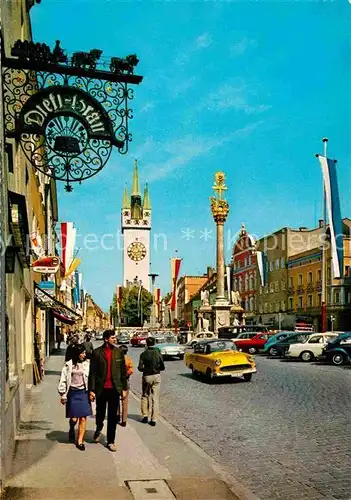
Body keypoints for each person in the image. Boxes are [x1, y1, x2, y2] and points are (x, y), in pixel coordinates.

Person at [88, 330, 128, 452]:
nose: (114, 339)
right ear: (106, 339)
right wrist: (91, 390)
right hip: (101, 388)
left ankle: (111, 441)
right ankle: (99, 428)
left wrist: (124, 388)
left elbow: (123, 372)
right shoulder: (97, 353)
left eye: (115, 337)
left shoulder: (118, 352)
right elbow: (92, 373)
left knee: (112, 416)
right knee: (100, 413)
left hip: (114, 389)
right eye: (112, 337)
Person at [58, 344, 91, 451]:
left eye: (85, 353)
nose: (84, 355)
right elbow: (63, 379)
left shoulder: (87, 364)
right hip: (72, 392)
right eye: (82, 353)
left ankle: (80, 441)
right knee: (74, 418)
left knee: (83, 417)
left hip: (83, 392)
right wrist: (63, 394)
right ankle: (72, 428)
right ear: (77, 354)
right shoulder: (68, 365)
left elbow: (91, 378)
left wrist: (92, 392)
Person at [138, 337, 165, 427]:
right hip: (156, 376)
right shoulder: (158, 353)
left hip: (147, 376)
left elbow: (140, 367)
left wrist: (146, 369)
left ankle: (145, 416)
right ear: (154, 343)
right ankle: (154, 419)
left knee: (145, 396)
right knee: (155, 398)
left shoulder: (143, 354)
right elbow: (162, 367)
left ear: (146, 343)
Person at [117, 344, 133, 427]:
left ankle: (117, 416)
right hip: (125, 381)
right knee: (125, 401)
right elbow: (131, 370)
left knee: (116, 400)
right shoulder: (128, 359)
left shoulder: (116, 359)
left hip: (116, 381)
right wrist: (126, 374)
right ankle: (124, 420)